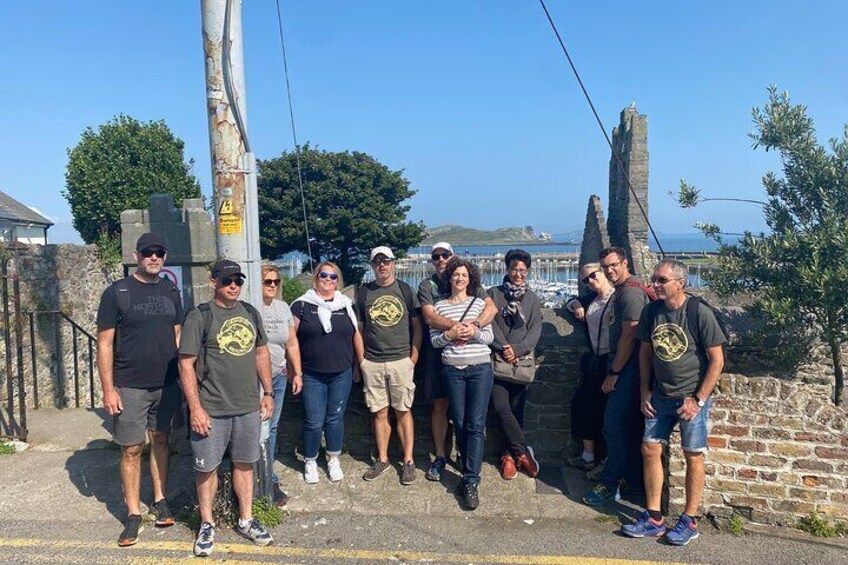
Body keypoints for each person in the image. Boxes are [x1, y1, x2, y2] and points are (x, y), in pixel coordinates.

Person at [621, 260, 725, 545]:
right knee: (650, 448)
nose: (655, 284)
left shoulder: (698, 312)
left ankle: (689, 520)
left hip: (690, 396)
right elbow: (645, 353)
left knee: (693, 454)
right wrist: (644, 390)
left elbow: (717, 360)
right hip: (660, 395)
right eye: (654, 279)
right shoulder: (651, 311)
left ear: (680, 283)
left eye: (662, 280)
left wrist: (699, 399)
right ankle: (654, 517)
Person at [179, 260, 275, 557]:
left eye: (237, 280)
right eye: (226, 280)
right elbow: (185, 363)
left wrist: (268, 392)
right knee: (207, 468)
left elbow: (261, 352)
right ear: (214, 283)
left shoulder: (250, 312)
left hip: (247, 406)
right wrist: (195, 408)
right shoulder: (200, 316)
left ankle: (245, 519)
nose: (233, 285)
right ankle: (207, 523)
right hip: (212, 408)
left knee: (245, 464)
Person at [96, 232, 183, 547]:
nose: (155, 257)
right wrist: (109, 389)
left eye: (160, 252)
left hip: (167, 383)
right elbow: (104, 344)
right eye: (149, 252)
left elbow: (178, 335)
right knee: (132, 448)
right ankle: (133, 514)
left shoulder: (171, 290)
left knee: (161, 440)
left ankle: (160, 500)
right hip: (130, 385)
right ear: (137, 256)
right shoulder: (117, 292)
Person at [417, 241, 496, 482]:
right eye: (436, 256)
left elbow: (491, 307)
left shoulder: (471, 285)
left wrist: (473, 327)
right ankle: (441, 456)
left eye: (445, 255)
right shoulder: (427, 285)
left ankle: (468, 462)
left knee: (472, 419)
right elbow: (430, 317)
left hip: (472, 359)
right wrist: (457, 330)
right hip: (439, 355)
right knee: (441, 406)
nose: (441, 259)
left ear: (453, 256)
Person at [583, 247, 651, 506]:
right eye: (605, 266)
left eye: (614, 265)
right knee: (627, 428)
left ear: (625, 263)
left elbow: (630, 335)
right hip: (628, 369)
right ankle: (630, 480)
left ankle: (610, 483)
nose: (609, 270)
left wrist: (615, 372)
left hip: (629, 370)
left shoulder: (631, 293)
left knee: (613, 425)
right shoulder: (623, 291)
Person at [290, 261, 364, 484]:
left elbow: (356, 335)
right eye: (324, 275)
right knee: (313, 420)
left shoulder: (345, 305)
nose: (328, 280)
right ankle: (310, 460)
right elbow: (290, 338)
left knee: (335, 418)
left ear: (337, 281)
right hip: (312, 373)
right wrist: (296, 372)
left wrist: (360, 364)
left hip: (341, 372)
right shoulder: (301, 305)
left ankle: (333, 458)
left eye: (333, 277)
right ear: (316, 278)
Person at [431, 258, 494, 510]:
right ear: (450, 278)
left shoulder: (479, 305)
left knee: (476, 424)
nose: (459, 278)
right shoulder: (440, 307)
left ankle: (470, 480)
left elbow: (489, 337)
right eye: (456, 274)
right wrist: (450, 335)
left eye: (464, 275)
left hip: (479, 368)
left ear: (471, 279)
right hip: (453, 371)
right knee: (459, 422)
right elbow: (435, 341)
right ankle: (468, 467)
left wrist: (473, 333)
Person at [356, 246, 422, 485]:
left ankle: (408, 461)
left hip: (400, 360)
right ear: (372, 265)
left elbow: (417, 326)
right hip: (372, 361)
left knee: (403, 411)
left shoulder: (405, 290)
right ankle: (383, 459)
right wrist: (361, 360)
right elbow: (359, 329)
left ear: (393, 263)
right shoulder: (364, 293)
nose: (382, 266)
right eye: (377, 262)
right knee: (379, 411)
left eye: (386, 261)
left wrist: (413, 357)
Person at [487, 249, 542, 481]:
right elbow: (489, 324)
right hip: (499, 361)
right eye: (514, 269)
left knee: (516, 412)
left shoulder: (532, 299)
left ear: (527, 272)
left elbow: (535, 330)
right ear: (507, 270)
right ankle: (522, 452)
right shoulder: (494, 294)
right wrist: (504, 347)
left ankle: (509, 456)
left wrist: (517, 350)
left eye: (522, 270)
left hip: (521, 362)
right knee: (501, 408)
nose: (518, 274)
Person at [566, 263, 615, 474]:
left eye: (593, 276)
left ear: (603, 272)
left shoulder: (616, 298)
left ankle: (605, 461)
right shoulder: (592, 299)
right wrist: (576, 304)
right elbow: (570, 302)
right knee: (583, 405)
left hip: (610, 360)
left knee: (607, 412)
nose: (590, 282)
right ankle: (588, 457)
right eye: (586, 280)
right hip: (594, 362)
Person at [259, 265, 303, 506]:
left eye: (276, 281)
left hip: (278, 375)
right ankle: (256, 476)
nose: (273, 286)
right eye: (267, 281)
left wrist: (297, 372)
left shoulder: (283, 308)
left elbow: (292, 343)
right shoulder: (252, 307)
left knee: (272, 427)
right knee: (255, 428)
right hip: (255, 379)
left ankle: (269, 476)